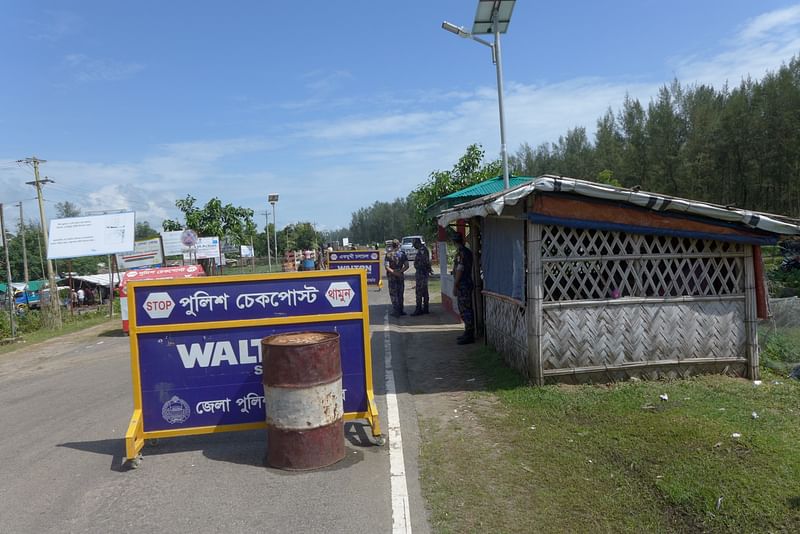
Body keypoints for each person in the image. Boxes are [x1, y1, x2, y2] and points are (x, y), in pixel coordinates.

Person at [452, 233, 475, 344]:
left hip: (463, 284)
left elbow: (460, 269)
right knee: (465, 308)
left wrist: (455, 284)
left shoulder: (461, 253)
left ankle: (469, 334)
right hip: (466, 283)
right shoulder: (467, 252)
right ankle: (467, 332)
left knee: (465, 309)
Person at [384, 239, 408, 317]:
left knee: (394, 294)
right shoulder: (402, 254)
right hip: (400, 276)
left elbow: (387, 267)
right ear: (398, 245)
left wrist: (394, 272)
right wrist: (400, 272)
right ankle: (401, 310)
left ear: (392, 245)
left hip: (392, 277)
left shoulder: (388, 255)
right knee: (400, 293)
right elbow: (406, 265)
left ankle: (396, 311)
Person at [411, 237, 432, 316]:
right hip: (423, 272)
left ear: (417, 243)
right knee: (424, 291)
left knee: (419, 291)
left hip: (421, 273)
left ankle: (419, 309)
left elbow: (424, 262)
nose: (415, 247)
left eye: (414, 245)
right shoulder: (423, 249)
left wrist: (426, 269)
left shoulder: (422, 250)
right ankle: (425, 308)